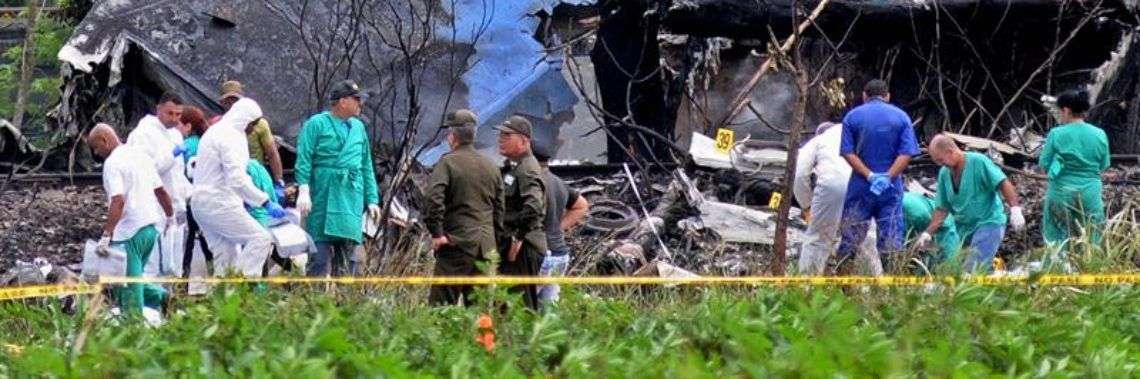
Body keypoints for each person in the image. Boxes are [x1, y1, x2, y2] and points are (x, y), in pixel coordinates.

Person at [191, 98, 287, 278]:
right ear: (245, 119)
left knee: (226, 256)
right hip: (218, 202)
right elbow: (237, 179)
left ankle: (223, 300)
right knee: (260, 238)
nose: (255, 128)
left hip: (202, 203)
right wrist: (265, 202)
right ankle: (243, 289)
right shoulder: (230, 136)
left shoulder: (217, 131)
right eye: (254, 123)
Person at [294, 79, 381, 277]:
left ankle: (343, 305)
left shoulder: (358, 128)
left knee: (348, 261)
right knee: (319, 258)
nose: (361, 104)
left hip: (350, 197)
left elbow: (366, 165)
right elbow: (304, 158)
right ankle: (312, 304)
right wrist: (304, 189)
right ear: (343, 101)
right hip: (324, 194)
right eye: (356, 99)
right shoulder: (316, 124)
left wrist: (372, 199)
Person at [87, 124, 174, 315]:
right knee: (128, 280)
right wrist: (169, 216)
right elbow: (160, 191)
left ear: (105, 140)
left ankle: (134, 331)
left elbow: (118, 201)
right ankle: (163, 298)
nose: (96, 152)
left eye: (96, 147)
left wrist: (106, 234)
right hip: (149, 230)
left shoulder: (112, 163)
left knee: (127, 290)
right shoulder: (140, 156)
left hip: (129, 234)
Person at [837, 79, 921, 271]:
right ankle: (892, 291)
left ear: (864, 96)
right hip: (890, 189)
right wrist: (887, 176)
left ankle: (842, 291)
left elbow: (847, 152)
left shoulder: (852, 117)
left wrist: (870, 176)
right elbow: (907, 153)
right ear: (887, 96)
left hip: (860, 186)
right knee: (891, 242)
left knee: (850, 238)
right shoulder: (901, 117)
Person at [424, 110, 505, 306]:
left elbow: (434, 199)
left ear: (452, 136)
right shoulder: (492, 166)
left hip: (456, 245)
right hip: (486, 248)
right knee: (480, 312)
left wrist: (437, 233)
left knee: (441, 310)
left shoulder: (448, 163)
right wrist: (494, 242)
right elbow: (499, 209)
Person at [918, 134, 1025, 272]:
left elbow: (1002, 182)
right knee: (970, 271)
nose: (940, 164)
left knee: (972, 270)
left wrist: (1015, 209)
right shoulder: (945, 173)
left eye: (941, 160)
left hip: (988, 223)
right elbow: (941, 209)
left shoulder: (978, 162)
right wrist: (927, 233)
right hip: (964, 230)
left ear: (950, 152)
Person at [1039, 89, 1110, 250]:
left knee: (1056, 238)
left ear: (1066, 110)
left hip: (1061, 191)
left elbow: (1044, 165)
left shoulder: (1056, 134)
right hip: (1090, 193)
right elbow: (1103, 165)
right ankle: (1089, 268)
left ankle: (1058, 270)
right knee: (1092, 237)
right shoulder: (1100, 134)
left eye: (1060, 112)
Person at [497, 115, 547, 310]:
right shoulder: (514, 168)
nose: (501, 139)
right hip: (514, 246)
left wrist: (518, 238)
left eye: (507, 135)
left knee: (519, 307)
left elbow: (534, 207)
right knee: (507, 304)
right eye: (501, 134)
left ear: (524, 141)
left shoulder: (527, 168)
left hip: (523, 248)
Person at [792, 121, 852, 275]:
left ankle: (806, 289)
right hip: (864, 184)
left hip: (834, 185)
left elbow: (799, 175)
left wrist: (807, 205)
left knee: (817, 239)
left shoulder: (817, 141)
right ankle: (872, 290)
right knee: (865, 240)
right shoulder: (856, 132)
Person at [534, 144, 588, 303]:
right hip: (560, 255)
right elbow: (582, 205)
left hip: (542, 255)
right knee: (549, 312)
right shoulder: (558, 182)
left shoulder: (532, 181)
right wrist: (557, 228)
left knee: (520, 307)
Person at [126, 92, 190, 227]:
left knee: (175, 247)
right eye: (170, 113)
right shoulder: (143, 134)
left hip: (176, 204)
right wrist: (172, 155)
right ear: (158, 109)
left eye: (178, 114)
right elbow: (146, 171)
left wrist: (189, 193)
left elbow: (177, 174)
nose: (174, 119)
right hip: (155, 206)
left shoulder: (176, 134)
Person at [219, 80, 286, 196]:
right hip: (231, 179)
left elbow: (272, 153)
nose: (232, 105)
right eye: (228, 102)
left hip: (256, 177)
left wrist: (278, 181)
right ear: (223, 103)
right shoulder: (219, 126)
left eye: (235, 101)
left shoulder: (259, 124)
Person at [179, 106, 213, 277]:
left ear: (188, 126)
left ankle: (183, 281)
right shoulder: (208, 143)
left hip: (190, 200)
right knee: (208, 241)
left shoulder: (184, 146)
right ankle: (215, 278)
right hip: (208, 199)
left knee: (188, 244)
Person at [902, 191, 961, 270]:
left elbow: (932, 224)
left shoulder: (914, 212)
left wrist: (926, 235)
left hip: (942, 227)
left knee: (948, 267)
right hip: (918, 228)